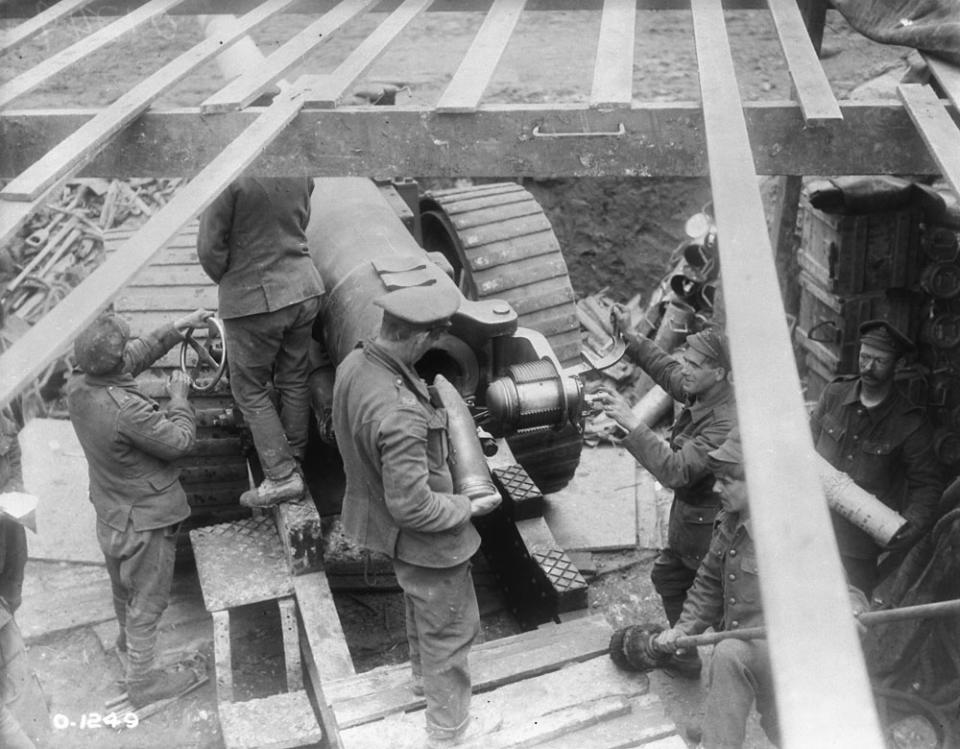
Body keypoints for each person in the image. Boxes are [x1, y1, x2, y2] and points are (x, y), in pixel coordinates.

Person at [331, 284, 502, 748]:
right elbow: (414, 506)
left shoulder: (356, 365)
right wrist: (470, 505)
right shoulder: (402, 414)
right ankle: (447, 732)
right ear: (419, 338)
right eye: (433, 339)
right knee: (450, 631)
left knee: (420, 607)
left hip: (388, 528)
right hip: (430, 540)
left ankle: (424, 686)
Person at [66, 309, 211, 708]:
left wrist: (175, 330)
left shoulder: (78, 385)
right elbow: (180, 442)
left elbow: (128, 360)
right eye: (122, 348)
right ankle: (144, 681)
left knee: (121, 588)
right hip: (147, 520)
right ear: (110, 361)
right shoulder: (127, 410)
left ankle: (128, 646)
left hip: (110, 511)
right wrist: (181, 398)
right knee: (148, 601)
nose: (130, 351)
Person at [598, 310, 736, 677]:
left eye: (694, 365)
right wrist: (631, 339)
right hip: (689, 519)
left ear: (719, 373)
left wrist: (631, 422)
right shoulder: (701, 387)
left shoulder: (726, 420)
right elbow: (666, 370)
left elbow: (676, 470)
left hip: (712, 525)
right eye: (685, 361)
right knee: (671, 577)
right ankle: (686, 655)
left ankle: (736, 671)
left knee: (720, 604)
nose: (684, 369)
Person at [197, 176, 325, 508]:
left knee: (249, 389)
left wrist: (235, 278)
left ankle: (282, 476)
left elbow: (209, 248)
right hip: (304, 287)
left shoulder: (228, 175)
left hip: (256, 298)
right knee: (294, 376)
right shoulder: (296, 163)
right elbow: (303, 214)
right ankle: (293, 457)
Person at [810, 320, 943, 597]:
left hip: (857, 549)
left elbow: (927, 486)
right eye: (864, 357)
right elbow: (804, 447)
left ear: (898, 365)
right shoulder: (834, 394)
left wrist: (910, 528)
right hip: (809, 531)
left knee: (849, 619)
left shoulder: (909, 423)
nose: (868, 368)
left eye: (879, 361)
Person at [0, 404, 35, 749]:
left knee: (11, 597)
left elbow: (12, 451)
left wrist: (16, 497)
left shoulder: (3, 405)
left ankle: (17, 696)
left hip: (7, 520)